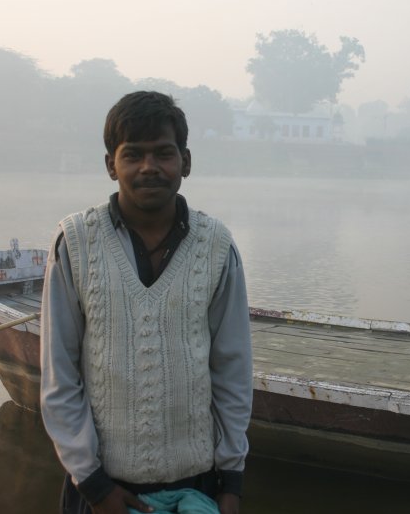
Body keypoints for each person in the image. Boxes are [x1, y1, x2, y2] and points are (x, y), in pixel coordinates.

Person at [40, 91, 253, 514]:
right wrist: (93, 484)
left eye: (163, 153)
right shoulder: (76, 243)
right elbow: (59, 378)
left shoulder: (216, 246)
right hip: (102, 487)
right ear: (110, 165)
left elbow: (232, 369)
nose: (148, 167)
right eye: (132, 155)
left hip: (197, 484)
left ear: (185, 162)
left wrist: (231, 480)